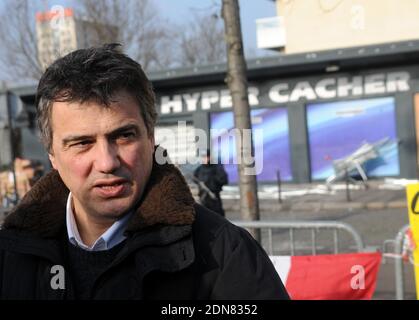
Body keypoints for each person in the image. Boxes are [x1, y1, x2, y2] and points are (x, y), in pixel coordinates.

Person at [0, 44, 289, 300]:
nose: (107, 162)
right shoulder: (10, 253)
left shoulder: (225, 255)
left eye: (123, 136)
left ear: (150, 138)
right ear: (52, 153)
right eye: (82, 142)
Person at [193, 149, 228, 216]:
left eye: (206, 157)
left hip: (214, 198)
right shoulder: (199, 169)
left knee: (218, 219)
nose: (205, 159)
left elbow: (224, 180)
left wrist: (212, 181)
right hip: (203, 199)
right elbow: (195, 178)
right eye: (203, 157)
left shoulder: (216, 167)